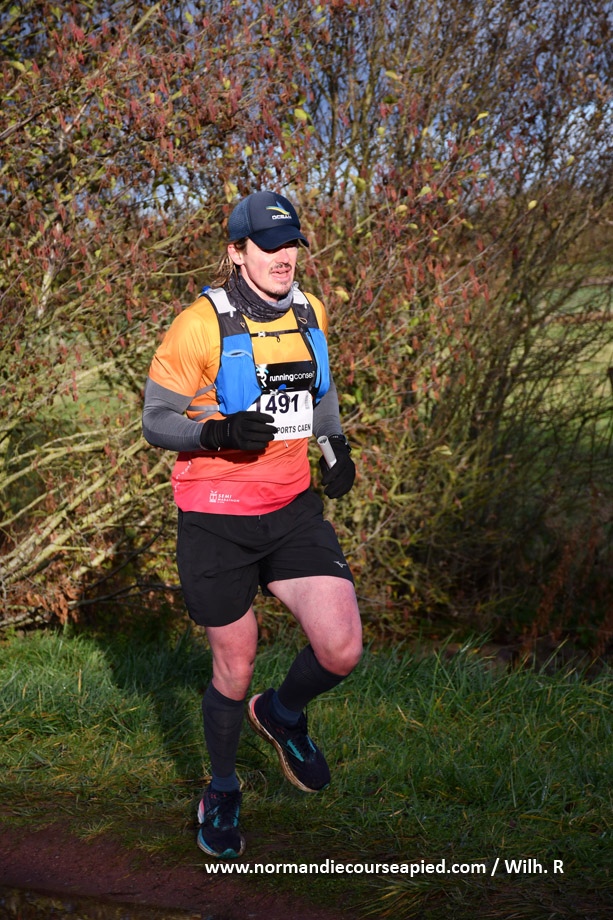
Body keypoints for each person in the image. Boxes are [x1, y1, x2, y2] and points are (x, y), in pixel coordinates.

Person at [142, 190, 362, 859]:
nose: (283, 256)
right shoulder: (198, 326)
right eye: (268, 245)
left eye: (290, 243)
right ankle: (222, 788)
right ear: (237, 252)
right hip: (216, 518)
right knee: (234, 668)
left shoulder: (309, 310)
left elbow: (319, 390)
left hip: (291, 510)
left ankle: (283, 713)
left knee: (341, 648)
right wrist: (216, 433)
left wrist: (334, 447)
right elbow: (155, 420)